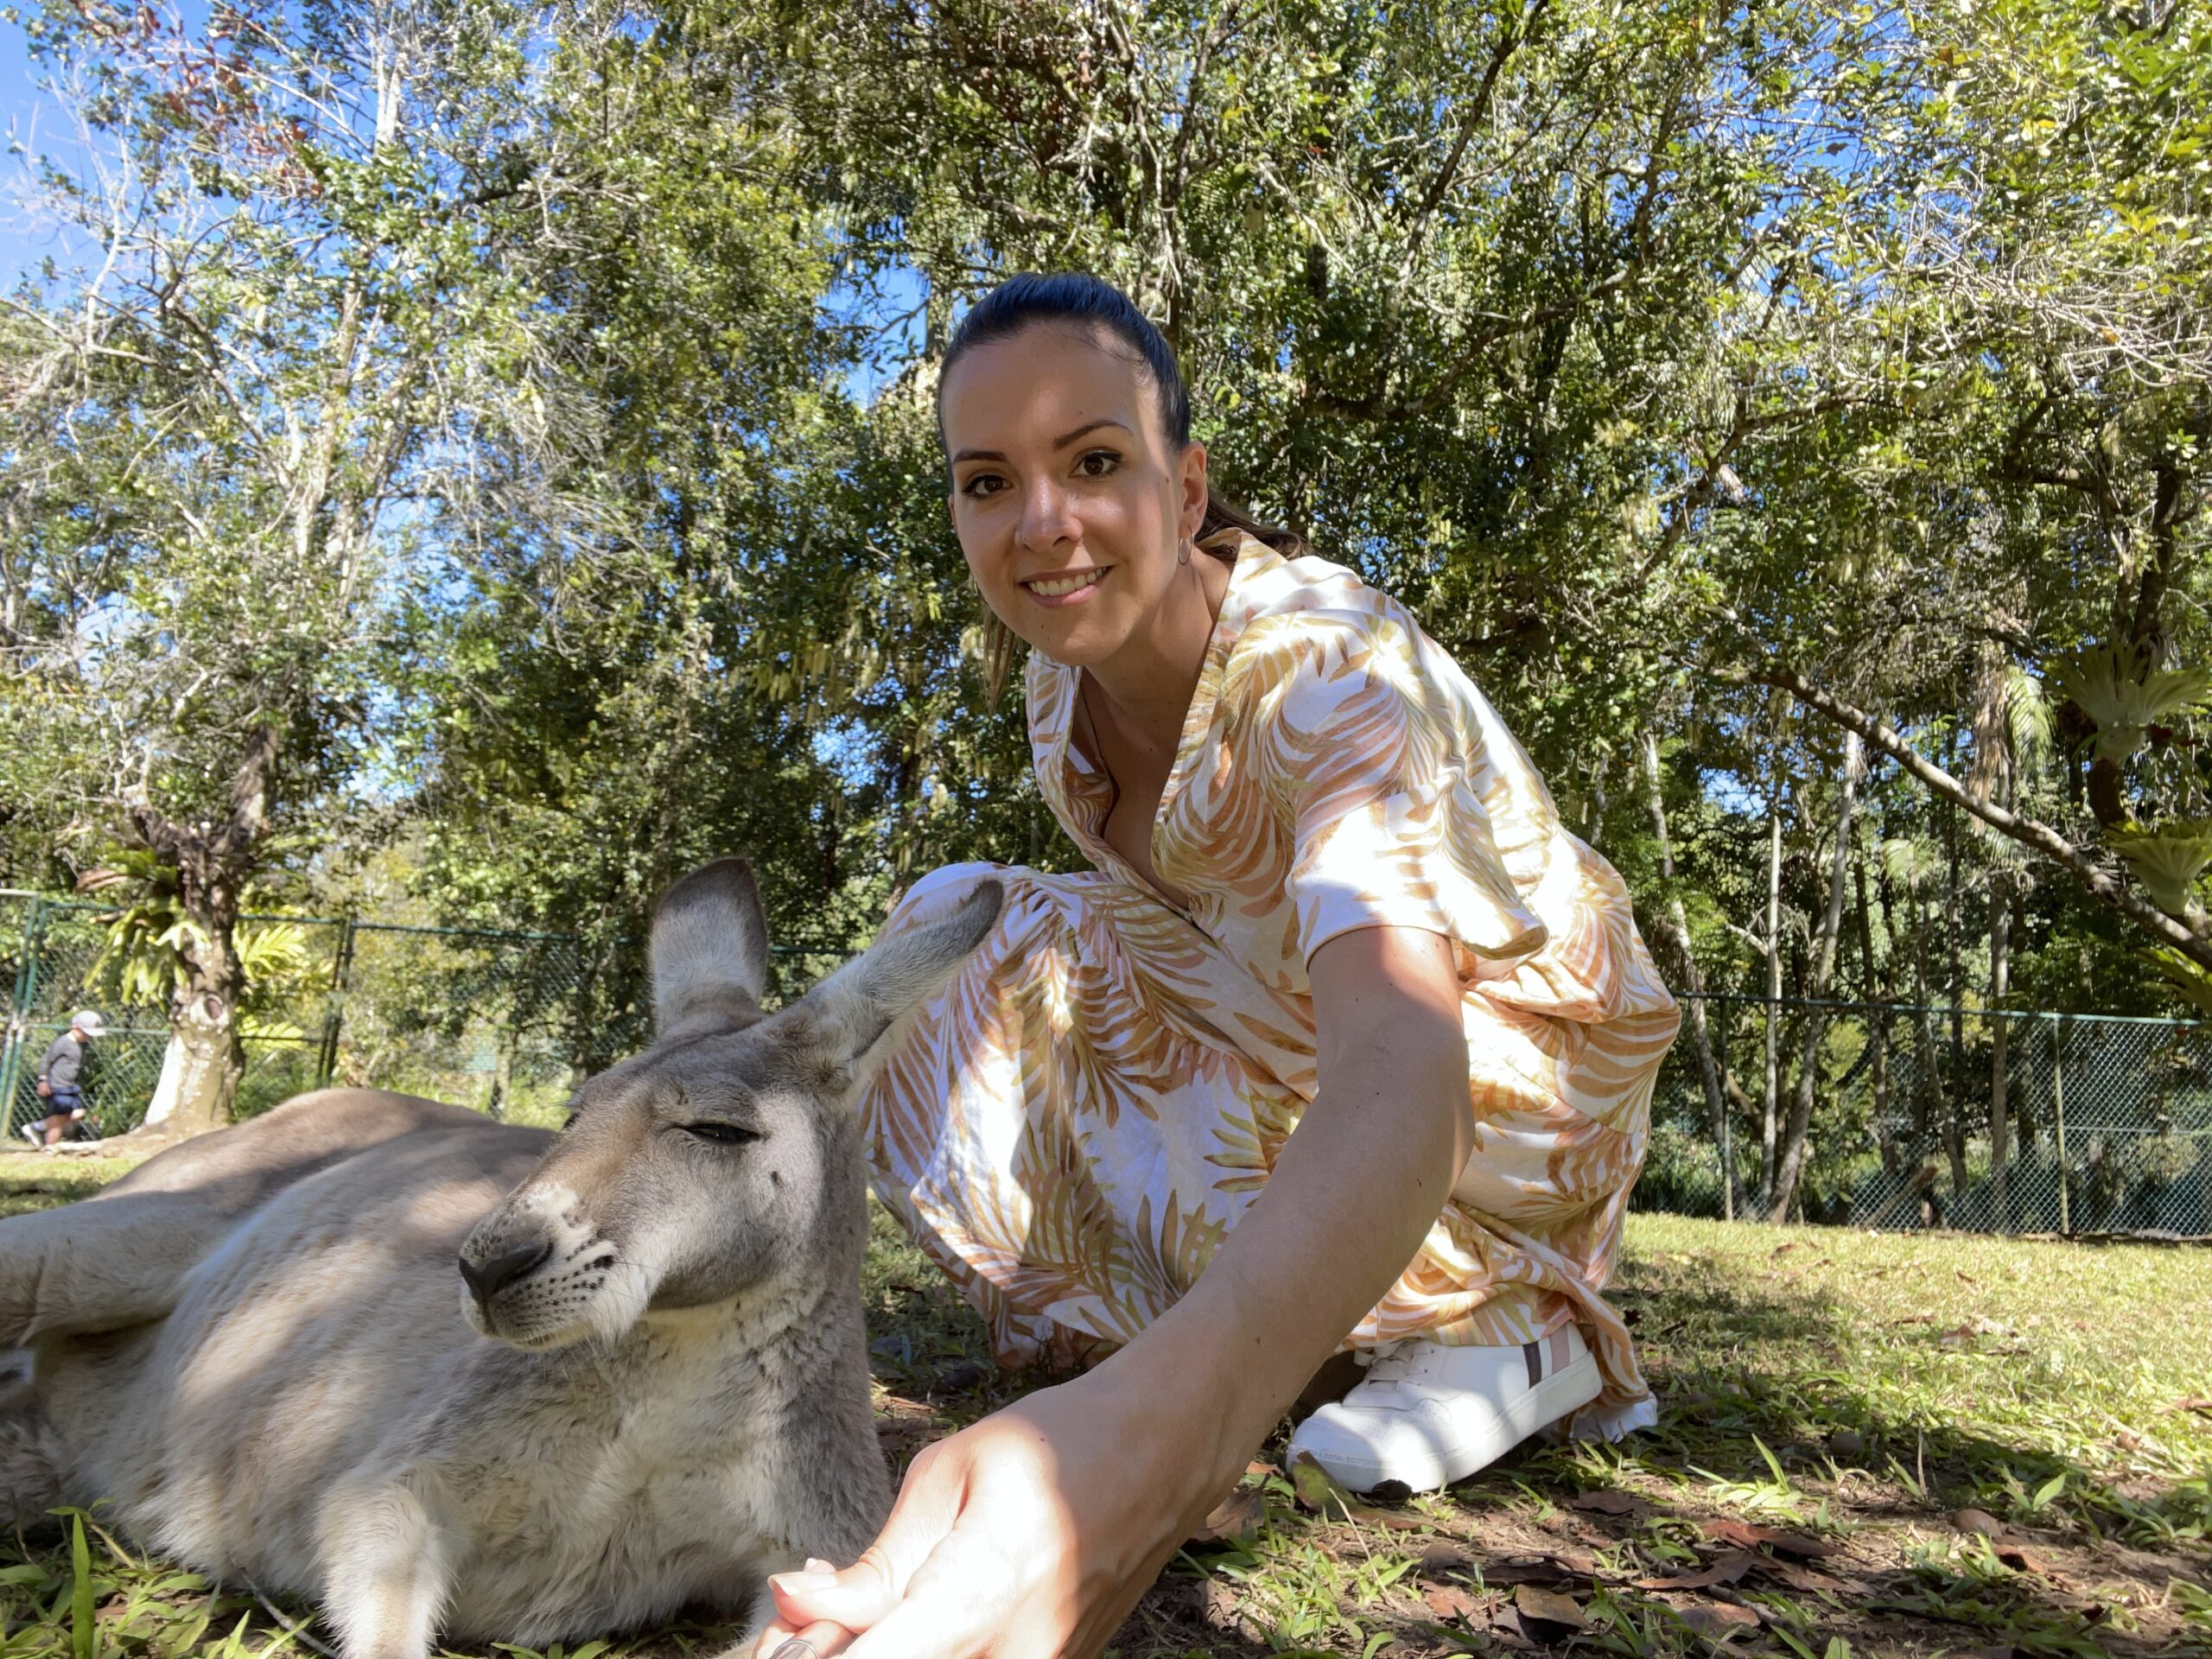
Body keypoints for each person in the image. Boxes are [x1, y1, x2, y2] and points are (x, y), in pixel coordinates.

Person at [754, 274, 1680, 1659]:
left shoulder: (1327, 673)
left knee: (1249, 1186)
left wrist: (1159, 1439)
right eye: (989, 481)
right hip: (1280, 1026)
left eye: (1095, 463)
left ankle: (1512, 1321)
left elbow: (1404, 1051)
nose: (1043, 524)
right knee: (947, 934)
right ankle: (1299, 1325)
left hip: (1502, 1073)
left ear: (1186, 493)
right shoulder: (1058, 685)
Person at [28, 1010, 105, 1148]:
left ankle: (39, 1127)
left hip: (69, 1086)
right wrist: (43, 1081)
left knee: (76, 1114)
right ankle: (47, 1144)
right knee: (59, 1119)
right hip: (57, 1086)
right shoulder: (63, 1042)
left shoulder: (81, 1045)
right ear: (75, 1027)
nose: (88, 1037)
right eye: (86, 1033)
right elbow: (47, 1060)